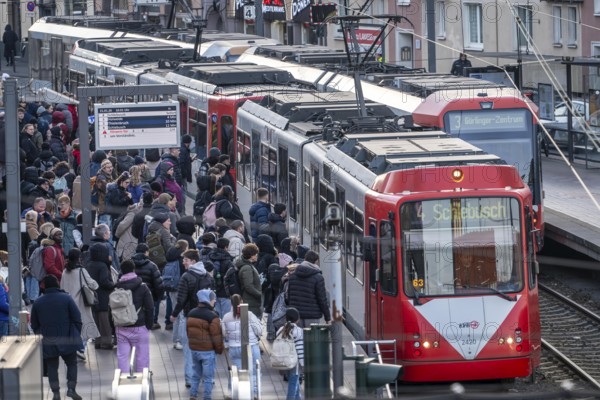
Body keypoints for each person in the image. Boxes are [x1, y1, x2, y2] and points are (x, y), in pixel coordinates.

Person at [31, 275, 83, 400]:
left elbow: (34, 324)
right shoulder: (66, 298)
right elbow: (77, 318)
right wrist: (74, 333)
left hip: (48, 339)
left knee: (52, 366)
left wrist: (42, 334)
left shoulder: (38, 302)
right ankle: (71, 389)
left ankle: (56, 393)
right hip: (67, 338)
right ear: (57, 284)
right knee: (71, 363)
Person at [170, 249, 215, 388]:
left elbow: (181, 298)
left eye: (186, 260)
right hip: (207, 317)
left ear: (193, 261)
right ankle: (208, 378)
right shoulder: (208, 276)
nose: (183, 262)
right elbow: (213, 298)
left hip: (190, 316)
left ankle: (190, 378)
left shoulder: (186, 277)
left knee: (189, 349)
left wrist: (174, 314)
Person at [114, 259, 154, 373]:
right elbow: (150, 307)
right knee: (142, 355)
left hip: (121, 326)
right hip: (139, 326)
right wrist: (149, 325)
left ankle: (123, 379)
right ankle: (142, 379)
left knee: (122, 356)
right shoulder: (142, 287)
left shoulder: (116, 287)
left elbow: (111, 308)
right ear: (133, 269)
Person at [60, 248, 99, 361]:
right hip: (81, 302)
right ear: (79, 258)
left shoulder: (64, 271)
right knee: (86, 324)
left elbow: (62, 287)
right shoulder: (81, 271)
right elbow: (93, 284)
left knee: (73, 326)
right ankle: (81, 348)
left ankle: (75, 347)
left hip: (67, 303)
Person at [221, 294, 262, 398]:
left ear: (231, 303)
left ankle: (234, 393)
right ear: (242, 302)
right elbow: (258, 330)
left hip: (234, 348)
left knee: (238, 373)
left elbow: (224, 333)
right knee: (253, 371)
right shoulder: (249, 314)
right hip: (251, 346)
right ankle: (254, 393)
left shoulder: (226, 317)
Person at [187, 288, 224, 400]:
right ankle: (207, 397)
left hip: (194, 349)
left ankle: (193, 395)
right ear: (208, 300)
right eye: (213, 300)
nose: (214, 302)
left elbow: (188, 332)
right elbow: (216, 336)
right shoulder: (213, 316)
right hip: (207, 351)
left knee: (195, 374)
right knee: (208, 377)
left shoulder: (191, 313)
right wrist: (219, 349)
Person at [286, 250, 331, 327]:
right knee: (311, 338)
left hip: (296, 316)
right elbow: (322, 299)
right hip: (312, 317)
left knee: (298, 338)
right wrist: (327, 317)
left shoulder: (292, 276)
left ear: (305, 259)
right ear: (316, 262)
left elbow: (288, 296)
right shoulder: (318, 278)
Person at [278, 307, 304, 400]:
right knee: (293, 383)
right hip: (294, 362)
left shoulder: (281, 330)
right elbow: (300, 348)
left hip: (284, 361)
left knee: (294, 381)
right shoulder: (299, 331)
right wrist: (303, 363)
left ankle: (298, 398)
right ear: (298, 319)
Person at [234, 243, 263, 319]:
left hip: (249, 301)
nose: (257, 255)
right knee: (251, 323)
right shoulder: (247, 268)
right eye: (256, 254)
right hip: (250, 302)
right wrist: (259, 294)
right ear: (252, 255)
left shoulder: (247, 265)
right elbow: (248, 286)